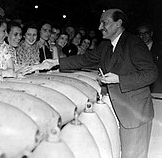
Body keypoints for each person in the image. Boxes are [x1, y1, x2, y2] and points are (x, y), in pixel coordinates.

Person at [44, 9, 158, 158]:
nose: (99, 27)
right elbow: (84, 59)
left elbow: (151, 73)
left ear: (118, 23)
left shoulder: (133, 43)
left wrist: (119, 79)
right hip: (119, 109)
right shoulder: (106, 46)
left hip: (134, 114)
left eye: (104, 22)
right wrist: (53, 62)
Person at [137, 23, 162, 92]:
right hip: (142, 88)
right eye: (141, 33)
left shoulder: (159, 48)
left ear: (151, 33)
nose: (143, 35)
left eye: (146, 33)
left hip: (157, 87)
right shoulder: (135, 50)